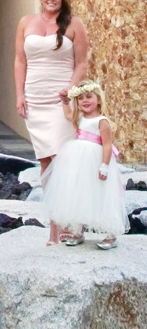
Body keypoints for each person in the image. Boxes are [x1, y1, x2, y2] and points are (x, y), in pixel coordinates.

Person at [14, 0, 88, 244]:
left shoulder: (73, 24)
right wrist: (20, 94)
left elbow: (81, 63)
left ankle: (73, 221)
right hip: (35, 99)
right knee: (45, 162)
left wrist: (71, 89)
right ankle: (55, 227)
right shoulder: (26, 22)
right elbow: (20, 60)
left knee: (63, 159)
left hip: (61, 101)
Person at [43, 79, 128, 249]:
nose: (85, 101)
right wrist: (65, 101)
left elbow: (107, 145)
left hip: (95, 161)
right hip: (79, 161)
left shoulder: (102, 121)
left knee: (100, 194)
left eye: (89, 96)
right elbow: (68, 115)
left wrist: (104, 165)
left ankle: (110, 234)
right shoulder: (79, 117)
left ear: (98, 99)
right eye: (80, 98)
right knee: (80, 193)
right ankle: (78, 231)